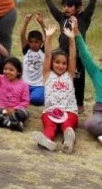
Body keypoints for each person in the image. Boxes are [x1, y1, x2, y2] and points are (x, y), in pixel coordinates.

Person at [42, 0, 102, 113]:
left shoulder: (83, 18)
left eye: (69, 6)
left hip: (79, 56)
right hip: (62, 55)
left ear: (78, 8)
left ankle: (79, 103)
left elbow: (91, 7)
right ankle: (59, 99)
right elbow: (52, 8)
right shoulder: (62, 18)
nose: (65, 8)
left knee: (78, 80)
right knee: (60, 78)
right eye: (64, 6)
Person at [32, 19, 78, 153]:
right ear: (52, 63)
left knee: (67, 125)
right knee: (49, 127)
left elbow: (73, 57)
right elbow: (47, 55)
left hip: (69, 111)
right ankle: (47, 140)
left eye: (64, 63)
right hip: (50, 111)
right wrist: (48, 37)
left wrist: (71, 39)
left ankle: (68, 141)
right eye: (57, 62)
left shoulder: (69, 75)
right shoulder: (47, 74)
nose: (60, 65)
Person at [19, 13, 46, 106]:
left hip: (39, 85)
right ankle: (26, 96)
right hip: (25, 83)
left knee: (37, 100)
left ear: (41, 42)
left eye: (37, 42)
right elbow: (22, 35)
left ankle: (31, 96)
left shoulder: (43, 51)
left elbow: (48, 35)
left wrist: (42, 23)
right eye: (31, 42)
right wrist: (26, 22)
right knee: (13, 94)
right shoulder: (26, 50)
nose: (34, 44)